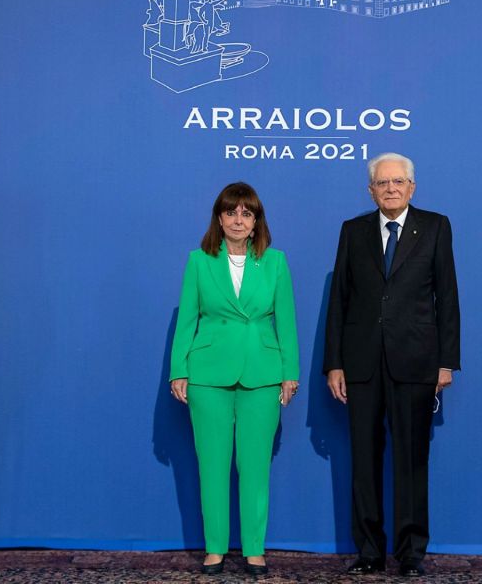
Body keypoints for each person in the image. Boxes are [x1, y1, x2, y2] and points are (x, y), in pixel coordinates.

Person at [324, 153, 460, 577]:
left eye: (398, 182)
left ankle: (411, 552)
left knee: (412, 460)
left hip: (416, 362)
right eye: (382, 183)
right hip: (361, 364)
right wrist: (334, 363)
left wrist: (446, 362)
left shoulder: (435, 227)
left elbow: (447, 297)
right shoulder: (353, 231)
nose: (391, 189)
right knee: (364, 462)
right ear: (371, 191)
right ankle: (369, 550)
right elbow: (339, 300)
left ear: (412, 187)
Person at [169, 182, 299, 576]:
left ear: (257, 221)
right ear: (219, 219)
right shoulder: (199, 261)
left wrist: (290, 373)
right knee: (212, 465)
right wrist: (179, 369)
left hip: (262, 373)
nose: (238, 220)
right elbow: (187, 319)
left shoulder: (275, 262)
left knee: (256, 466)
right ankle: (214, 548)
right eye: (231, 212)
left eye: (246, 213)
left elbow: (287, 322)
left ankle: (254, 549)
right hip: (208, 374)